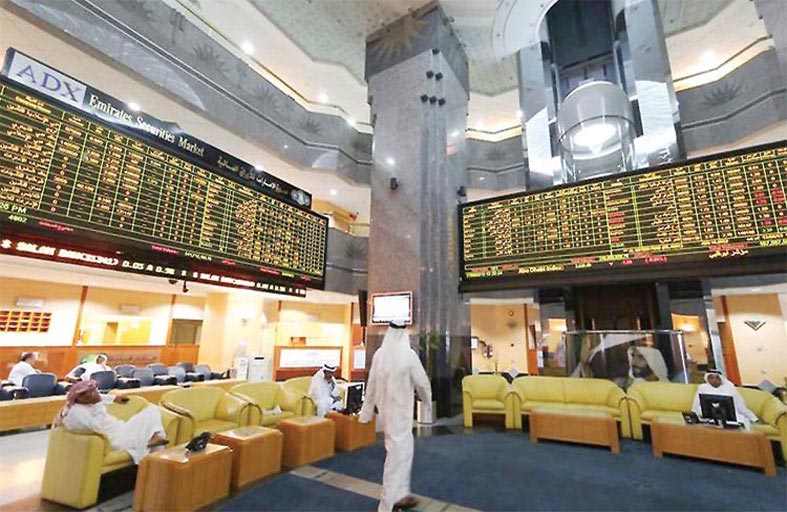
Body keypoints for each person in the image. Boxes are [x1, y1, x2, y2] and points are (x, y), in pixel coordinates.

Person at [359, 322, 432, 512]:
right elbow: (422, 383)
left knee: (404, 453)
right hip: (401, 416)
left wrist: (366, 412)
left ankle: (401, 496)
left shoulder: (379, 355)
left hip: (387, 415)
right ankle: (386, 505)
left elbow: (371, 385)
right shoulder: (409, 356)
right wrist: (427, 402)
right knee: (396, 459)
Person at [55, 380, 168, 463]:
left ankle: (152, 458)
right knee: (152, 412)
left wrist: (114, 399)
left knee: (152, 413)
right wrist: (98, 404)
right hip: (116, 439)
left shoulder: (84, 402)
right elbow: (97, 426)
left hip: (121, 430)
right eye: (88, 393)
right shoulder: (78, 412)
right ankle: (152, 454)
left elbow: (100, 397)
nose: (93, 394)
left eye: (94, 391)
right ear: (78, 397)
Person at [691, 371, 759, 428]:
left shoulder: (730, 388)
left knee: (744, 421)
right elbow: (696, 404)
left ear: (721, 379)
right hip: (709, 419)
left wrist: (754, 419)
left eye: (717, 378)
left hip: (730, 418)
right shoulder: (703, 387)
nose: (714, 380)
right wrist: (693, 417)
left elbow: (741, 407)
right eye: (711, 378)